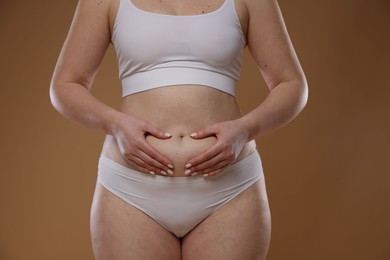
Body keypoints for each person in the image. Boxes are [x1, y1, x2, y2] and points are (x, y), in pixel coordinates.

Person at [50, 0, 308, 258]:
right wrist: (114, 125)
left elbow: (291, 83)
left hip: (229, 190)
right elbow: (66, 84)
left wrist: (246, 129)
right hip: (131, 191)